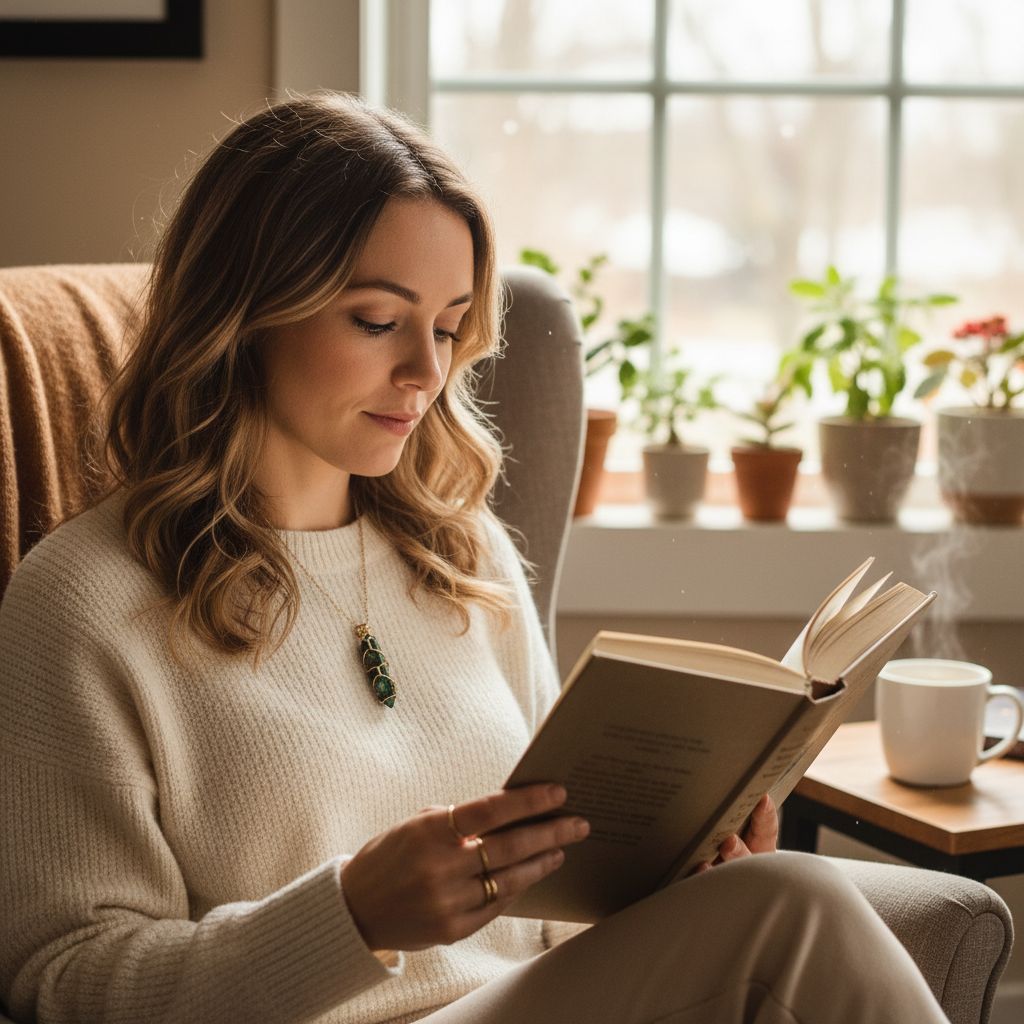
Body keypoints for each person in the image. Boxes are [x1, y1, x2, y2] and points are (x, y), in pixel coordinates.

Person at [0, 93, 948, 1024]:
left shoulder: (459, 551)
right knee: (800, 909)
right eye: (378, 320)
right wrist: (351, 916)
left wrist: (680, 889)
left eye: (449, 327)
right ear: (242, 310)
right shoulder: (85, 604)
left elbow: (549, 929)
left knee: (773, 894)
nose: (426, 373)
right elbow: (61, 981)